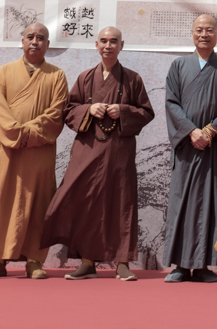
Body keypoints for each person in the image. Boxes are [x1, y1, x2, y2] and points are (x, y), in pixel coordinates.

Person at [42, 26, 155, 281]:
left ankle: (123, 262)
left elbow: (147, 112)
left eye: (113, 41)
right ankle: (87, 261)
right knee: (86, 201)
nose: (108, 45)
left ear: (121, 45)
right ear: (96, 45)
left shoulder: (133, 79)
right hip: (88, 149)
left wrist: (123, 111)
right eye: (103, 41)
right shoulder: (84, 78)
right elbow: (68, 111)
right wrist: (88, 110)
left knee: (121, 202)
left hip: (119, 152)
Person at [0, 23, 68, 279]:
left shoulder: (57, 75)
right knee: (2, 202)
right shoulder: (4, 72)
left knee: (37, 203)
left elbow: (56, 113)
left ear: (48, 45)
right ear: (22, 41)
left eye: (41, 38)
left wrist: (27, 133)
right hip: (8, 149)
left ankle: (34, 261)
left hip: (39, 153)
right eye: (30, 37)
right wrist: (17, 134)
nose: (35, 41)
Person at [162, 13, 217, 283]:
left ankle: (204, 265)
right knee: (182, 203)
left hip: (214, 149)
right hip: (187, 148)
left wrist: (209, 131)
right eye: (199, 30)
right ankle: (181, 266)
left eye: (210, 30)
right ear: (192, 34)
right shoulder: (178, 66)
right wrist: (191, 131)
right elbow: (171, 103)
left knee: (212, 203)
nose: (204, 34)